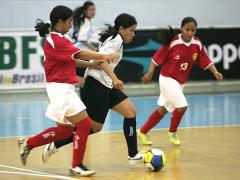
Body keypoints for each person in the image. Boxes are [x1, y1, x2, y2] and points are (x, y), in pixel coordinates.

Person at [18, 5, 119, 177]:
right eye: (69, 22)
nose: (71, 25)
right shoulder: (56, 40)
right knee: (85, 124)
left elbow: (72, 60)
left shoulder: (59, 39)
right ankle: (76, 165)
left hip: (61, 88)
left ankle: (28, 143)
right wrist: (103, 56)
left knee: (65, 131)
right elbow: (79, 54)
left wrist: (91, 64)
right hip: (61, 89)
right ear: (59, 22)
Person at [42, 13, 144, 166]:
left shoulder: (117, 40)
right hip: (96, 85)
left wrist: (112, 80)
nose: (133, 34)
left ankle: (133, 154)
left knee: (130, 112)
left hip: (106, 84)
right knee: (93, 128)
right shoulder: (115, 40)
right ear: (122, 29)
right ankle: (56, 144)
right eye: (131, 30)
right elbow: (101, 60)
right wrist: (115, 79)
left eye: (135, 31)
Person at [137, 17, 223, 146]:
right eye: (187, 29)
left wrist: (215, 71)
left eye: (192, 30)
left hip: (180, 82)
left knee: (163, 109)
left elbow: (205, 59)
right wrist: (149, 73)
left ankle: (142, 132)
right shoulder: (174, 42)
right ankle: (172, 132)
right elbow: (156, 58)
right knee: (182, 106)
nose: (189, 32)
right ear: (182, 28)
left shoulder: (197, 44)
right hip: (167, 78)